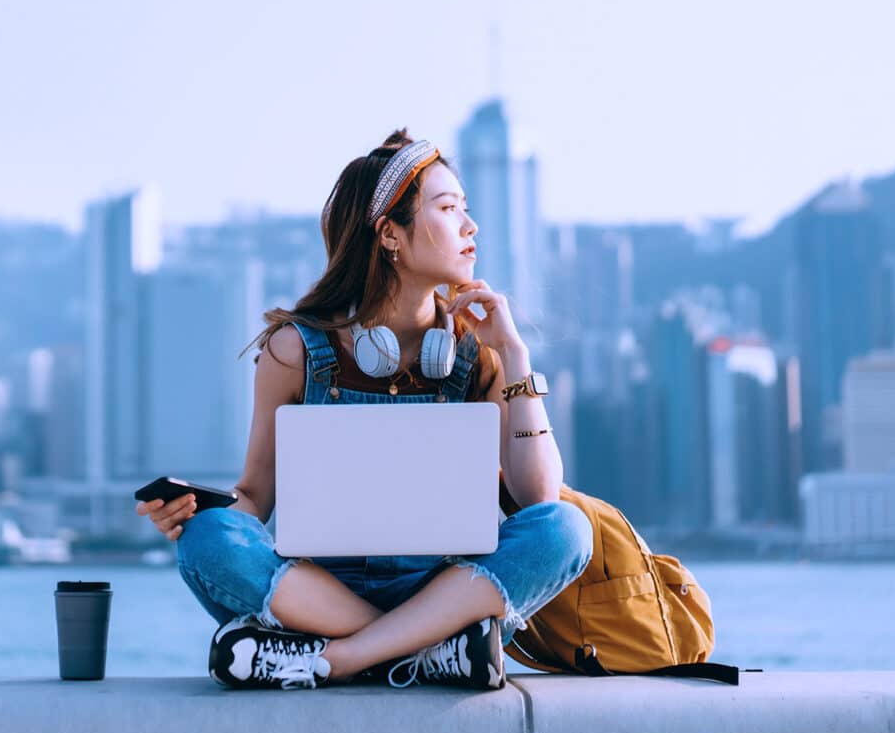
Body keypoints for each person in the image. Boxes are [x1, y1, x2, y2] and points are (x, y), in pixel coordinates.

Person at [137, 129, 594, 691]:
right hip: (316, 591)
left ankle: (339, 660)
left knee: (567, 528)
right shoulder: (295, 350)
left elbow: (537, 496)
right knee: (207, 539)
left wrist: (517, 358)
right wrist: (196, 508)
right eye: (450, 209)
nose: (470, 227)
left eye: (466, 210)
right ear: (390, 235)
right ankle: (430, 653)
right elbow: (255, 497)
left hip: (440, 587)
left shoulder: (477, 352)